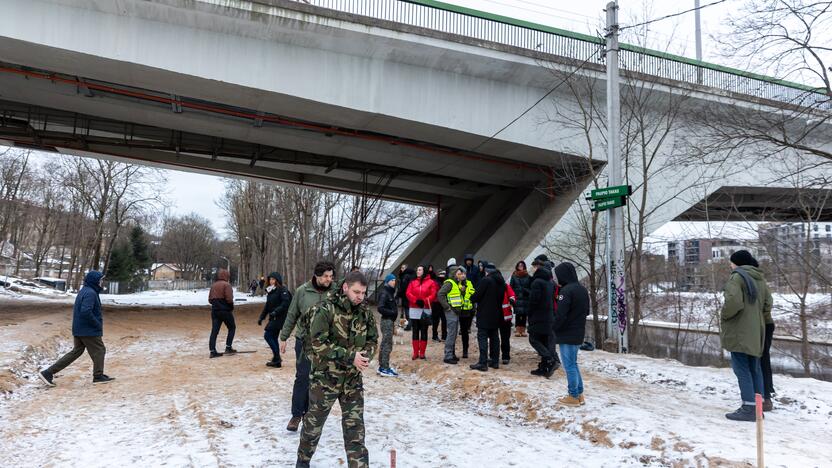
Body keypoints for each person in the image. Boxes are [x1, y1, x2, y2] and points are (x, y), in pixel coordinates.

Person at [296, 271, 378, 468]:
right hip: (325, 380)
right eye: (356, 292)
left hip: (352, 381)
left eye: (363, 293)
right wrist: (351, 357)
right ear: (345, 288)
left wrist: (366, 356)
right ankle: (303, 461)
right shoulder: (325, 309)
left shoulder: (364, 312)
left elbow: (373, 339)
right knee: (313, 426)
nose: (360, 296)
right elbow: (318, 344)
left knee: (355, 429)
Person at [279, 261, 336, 432]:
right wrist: (283, 337)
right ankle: (296, 415)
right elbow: (292, 314)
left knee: (320, 380)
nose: (329, 279)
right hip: (305, 342)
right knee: (303, 377)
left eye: (331, 276)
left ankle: (311, 416)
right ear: (317, 276)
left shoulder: (335, 292)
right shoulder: (302, 291)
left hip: (326, 343)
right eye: (325, 276)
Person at [721, 250, 772, 422]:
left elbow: (733, 302)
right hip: (757, 330)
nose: (730, 264)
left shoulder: (737, 277)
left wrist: (724, 315)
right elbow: (768, 303)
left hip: (740, 330)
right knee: (754, 368)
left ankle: (748, 408)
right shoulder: (760, 278)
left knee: (741, 368)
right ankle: (758, 408)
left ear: (736, 263)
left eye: (731, 262)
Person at [38, 270, 115, 386]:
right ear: (95, 281)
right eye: (100, 280)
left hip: (80, 328)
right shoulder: (90, 293)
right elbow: (85, 311)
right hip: (88, 330)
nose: (102, 282)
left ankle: (47, 373)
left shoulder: (85, 291)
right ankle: (98, 376)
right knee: (99, 350)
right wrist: (96, 324)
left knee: (76, 352)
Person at [552, 262, 589, 407]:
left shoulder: (566, 291)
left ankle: (573, 396)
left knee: (569, 366)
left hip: (567, 333)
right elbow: (586, 312)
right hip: (578, 331)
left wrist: (554, 329)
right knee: (573, 364)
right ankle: (579, 393)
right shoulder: (582, 289)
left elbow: (561, 315)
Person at [469, 262, 505, 371]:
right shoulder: (501, 281)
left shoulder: (486, 280)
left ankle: (482, 362)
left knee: (482, 337)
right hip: (496, 313)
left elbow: (476, 296)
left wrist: (472, 297)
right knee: (494, 337)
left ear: (486, 271)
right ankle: (495, 361)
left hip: (484, 314)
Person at [438, 265, 474, 365]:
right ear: (454, 274)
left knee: (453, 334)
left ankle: (452, 354)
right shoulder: (449, 283)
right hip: (451, 312)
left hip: (456, 312)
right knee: (451, 334)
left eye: (461, 274)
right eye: (459, 274)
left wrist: (462, 291)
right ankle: (448, 355)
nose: (460, 275)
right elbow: (440, 294)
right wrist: (447, 307)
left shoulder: (456, 283)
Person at [526, 257, 557, 377]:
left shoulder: (537, 282)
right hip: (548, 315)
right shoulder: (549, 282)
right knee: (544, 341)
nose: (532, 269)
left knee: (533, 339)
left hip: (538, 316)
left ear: (537, 267)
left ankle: (549, 359)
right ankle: (545, 367)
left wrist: (529, 312)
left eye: (533, 266)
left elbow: (534, 301)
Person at [258, 272, 292, 368]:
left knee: (267, 335)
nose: (271, 281)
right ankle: (276, 359)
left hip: (280, 317)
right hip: (273, 317)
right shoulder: (270, 291)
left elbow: (285, 303)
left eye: (273, 279)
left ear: (277, 280)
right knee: (273, 336)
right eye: (270, 279)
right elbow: (267, 306)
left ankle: (277, 358)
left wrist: (276, 312)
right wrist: (262, 317)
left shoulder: (282, 290)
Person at [406, 265, 438, 360]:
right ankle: (415, 352)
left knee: (424, 330)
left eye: (420, 270)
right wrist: (416, 301)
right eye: (417, 270)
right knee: (415, 331)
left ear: (424, 271)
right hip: (414, 309)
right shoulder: (412, 282)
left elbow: (433, 294)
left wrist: (424, 301)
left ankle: (422, 353)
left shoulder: (431, 282)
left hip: (425, 309)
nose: (418, 271)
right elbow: (408, 293)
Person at [208, 268, 236, 358]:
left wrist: (216, 304)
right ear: (226, 276)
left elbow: (210, 299)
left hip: (215, 311)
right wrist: (230, 307)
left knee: (214, 331)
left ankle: (212, 351)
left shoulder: (213, 285)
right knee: (232, 327)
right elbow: (229, 299)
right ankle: (228, 347)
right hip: (225, 311)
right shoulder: (227, 285)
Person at [376, 273, 399, 377]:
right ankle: (384, 368)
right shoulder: (385, 293)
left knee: (385, 343)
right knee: (387, 344)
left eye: (395, 280)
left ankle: (382, 366)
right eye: (392, 280)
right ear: (387, 281)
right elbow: (380, 308)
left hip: (390, 321)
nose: (394, 282)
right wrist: (392, 313)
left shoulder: (390, 292)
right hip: (387, 321)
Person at [498, 269, 516, 365]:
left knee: (505, 338)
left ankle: (505, 356)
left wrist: (512, 300)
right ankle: (494, 355)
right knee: (494, 338)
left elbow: (512, 295)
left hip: (506, 316)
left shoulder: (506, 286)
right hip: (495, 316)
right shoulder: (492, 286)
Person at [510, 261, 532, 337]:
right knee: (518, 315)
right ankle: (518, 330)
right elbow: (511, 288)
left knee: (524, 315)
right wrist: (512, 297)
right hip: (517, 298)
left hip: (525, 298)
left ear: (524, 266)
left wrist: (527, 291)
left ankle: (523, 330)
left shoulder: (528, 276)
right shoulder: (514, 276)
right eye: (519, 265)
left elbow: (531, 288)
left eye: (522, 265)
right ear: (517, 266)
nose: (520, 267)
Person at [430, 266, 447, 342]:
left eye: (444, 274)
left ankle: (444, 336)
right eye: (441, 274)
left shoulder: (446, 282)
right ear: (438, 275)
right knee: (435, 321)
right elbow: (434, 293)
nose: (443, 275)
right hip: (436, 303)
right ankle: (434, 336)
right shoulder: (434, 283)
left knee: (444, 320)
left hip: (443, 303)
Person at [397, 265, 416, 331]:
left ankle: (409, 325)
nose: (402, 269)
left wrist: (398, 294)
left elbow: (403, 287)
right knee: (408, 310)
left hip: (406, 296)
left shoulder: (406, 276)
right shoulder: (411, 275)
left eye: (403, 268)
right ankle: (410, 324)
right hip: (409, 295)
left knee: (407, 311)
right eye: (401, 267)